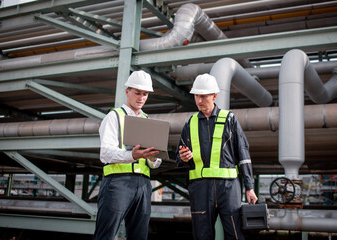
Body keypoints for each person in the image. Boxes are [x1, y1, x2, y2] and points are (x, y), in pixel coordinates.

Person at [176, 73, 258, 240]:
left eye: (203, 96)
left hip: (228, 188)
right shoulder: (189, 123)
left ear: (214, 96)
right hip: (200, 189)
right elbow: (179, 155)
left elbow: (243, 154)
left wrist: (249, 187)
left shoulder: (230, 119)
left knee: (234, 234)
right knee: (202, 235)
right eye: (197, 96)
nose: (199, 101)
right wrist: (183, 157)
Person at [93, 70, 162, 240]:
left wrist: (153, 158)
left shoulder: (148, 120)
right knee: (106, 234)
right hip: (117, 183)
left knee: (139, 236)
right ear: (127, 92)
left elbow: (155, 163)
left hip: (144, 184)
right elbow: (105, 153)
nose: (141, 98)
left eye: (145, 94)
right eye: (137, 93)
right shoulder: (113, 117)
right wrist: (133, 155)